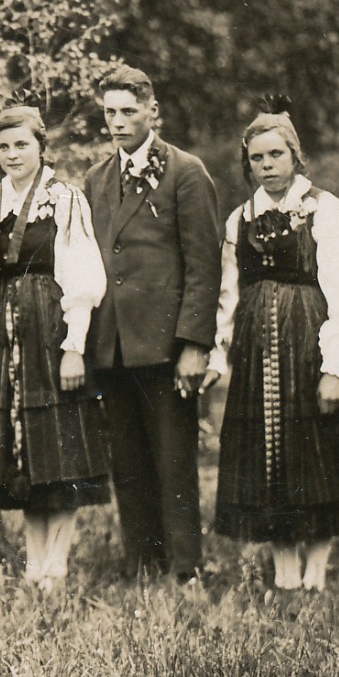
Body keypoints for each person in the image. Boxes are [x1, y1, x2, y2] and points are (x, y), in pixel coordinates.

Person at [204, 105, 339, 592]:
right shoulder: (241, 219)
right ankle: (286, 575)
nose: (268, 165)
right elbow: (228, 296)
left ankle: (316, 576)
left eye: (277, 154)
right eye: (257, 158)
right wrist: (218, 356)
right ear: (248, 164)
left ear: (295, 157)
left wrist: (333, 367)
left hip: (309, 346)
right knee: (270, 458)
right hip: (257, 355)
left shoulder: (324, 208)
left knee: (313, 452)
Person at [84, 66, 222, 583]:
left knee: (173, 462)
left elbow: (204, 265)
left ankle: (186, 569)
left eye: (128, 112)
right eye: (109, 113)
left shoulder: (186, 172)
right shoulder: (96, 179)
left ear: (152, 112)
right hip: (114, 344)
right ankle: (141, 564)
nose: (118, 123)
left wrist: (194, 345)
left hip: (166, 346)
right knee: (129, 461)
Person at [0, 106, 111, 590]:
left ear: (40, 147)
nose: (12, 155)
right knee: (22, 449)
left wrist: (74, 345)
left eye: (21, 145)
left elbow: (84, 274)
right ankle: (33, 561)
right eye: (4, 147)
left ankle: (58, 561)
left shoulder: (63, 198)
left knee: (60, 446)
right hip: (6, 337)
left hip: (49, 328)